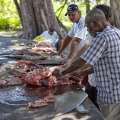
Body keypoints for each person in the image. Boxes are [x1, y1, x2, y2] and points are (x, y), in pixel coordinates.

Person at [53, 8, 120, 120]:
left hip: (111, 95)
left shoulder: (102, 37)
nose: (88, 31)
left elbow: (82, 61)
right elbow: (107, 62)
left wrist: (62, 72)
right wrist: (83, 72)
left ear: (95, 23)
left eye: (88, 28)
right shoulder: (116, 32)